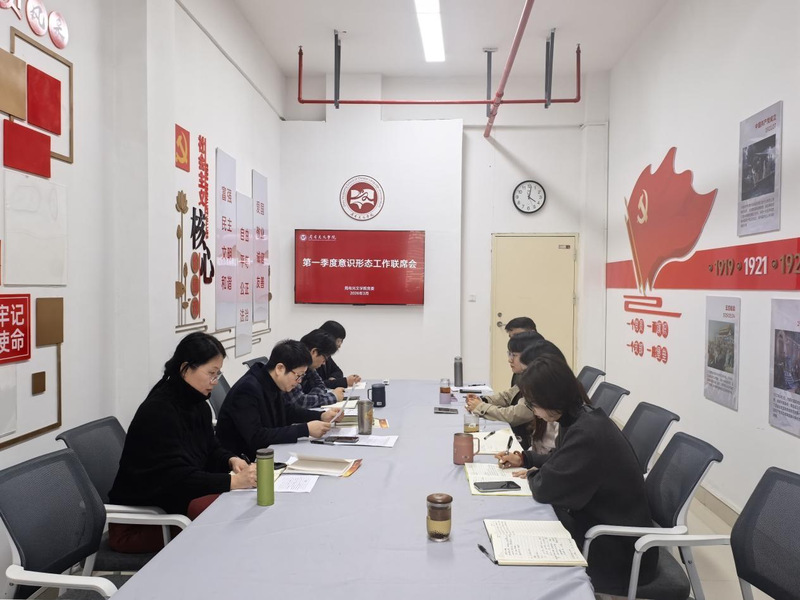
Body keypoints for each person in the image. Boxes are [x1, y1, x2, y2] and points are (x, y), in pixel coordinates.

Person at [498, 355, 657, 593]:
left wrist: (533, 475)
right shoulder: (581, 416)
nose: (534, 412)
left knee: (524, 544)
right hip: (606, 531)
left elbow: (544, 488)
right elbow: (563, 458)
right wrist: (526, 459)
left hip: (620, 552)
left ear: (551, 399)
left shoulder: (587, 433)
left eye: (533, 405)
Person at [108, 332, 257, 552]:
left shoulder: (197, 404)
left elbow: (210, 447)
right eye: (211, 373)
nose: (215, 382)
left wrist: (230, 460)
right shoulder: (158, 411)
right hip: (144, 522)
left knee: (240, 518)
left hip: (174, 509)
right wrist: (231, 482)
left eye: (218, 374)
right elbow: (176, 478)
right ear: (185, 369)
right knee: (232, 529)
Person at [216, 339, 342, 461]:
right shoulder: (247, 390)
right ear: (280, 368)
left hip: (268, 453)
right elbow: (256, 436)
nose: (299, 382)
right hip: (243, 462)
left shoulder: (270, 380)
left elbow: (287, 411)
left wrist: (321, 416)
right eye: (298, 376)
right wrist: (305, 429)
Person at [464, 330, 543, 447]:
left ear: (529, 356)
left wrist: (481, 407)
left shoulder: (539, 380)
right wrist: (483, 400)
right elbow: (508, 396)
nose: (509, 360)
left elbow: (515, 415)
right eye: (509, 354)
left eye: (514, 355)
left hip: (530, 443)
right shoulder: (526, 375)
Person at [283, 329, 345, 408]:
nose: (324, 363)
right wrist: (333, 396)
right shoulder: (295, 362)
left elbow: (320, 385)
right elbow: (299, 401)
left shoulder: (309, 366)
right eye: (324, 358)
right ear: (314, 352)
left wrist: (311, 399)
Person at [317, 320, 361, 389]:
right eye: (338, 341)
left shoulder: (326, 354)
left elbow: (337, 371)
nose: (339, 345)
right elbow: (315, 385)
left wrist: (333, 379)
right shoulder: (314, 356)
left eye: (341, 341)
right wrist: (344, 382)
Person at [504, 316, 537, 386]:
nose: (514, 341)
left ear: (532, 333)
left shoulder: (542, 364)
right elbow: (515, 391)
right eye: (511, 337)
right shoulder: (519, 367)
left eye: (517, 335)